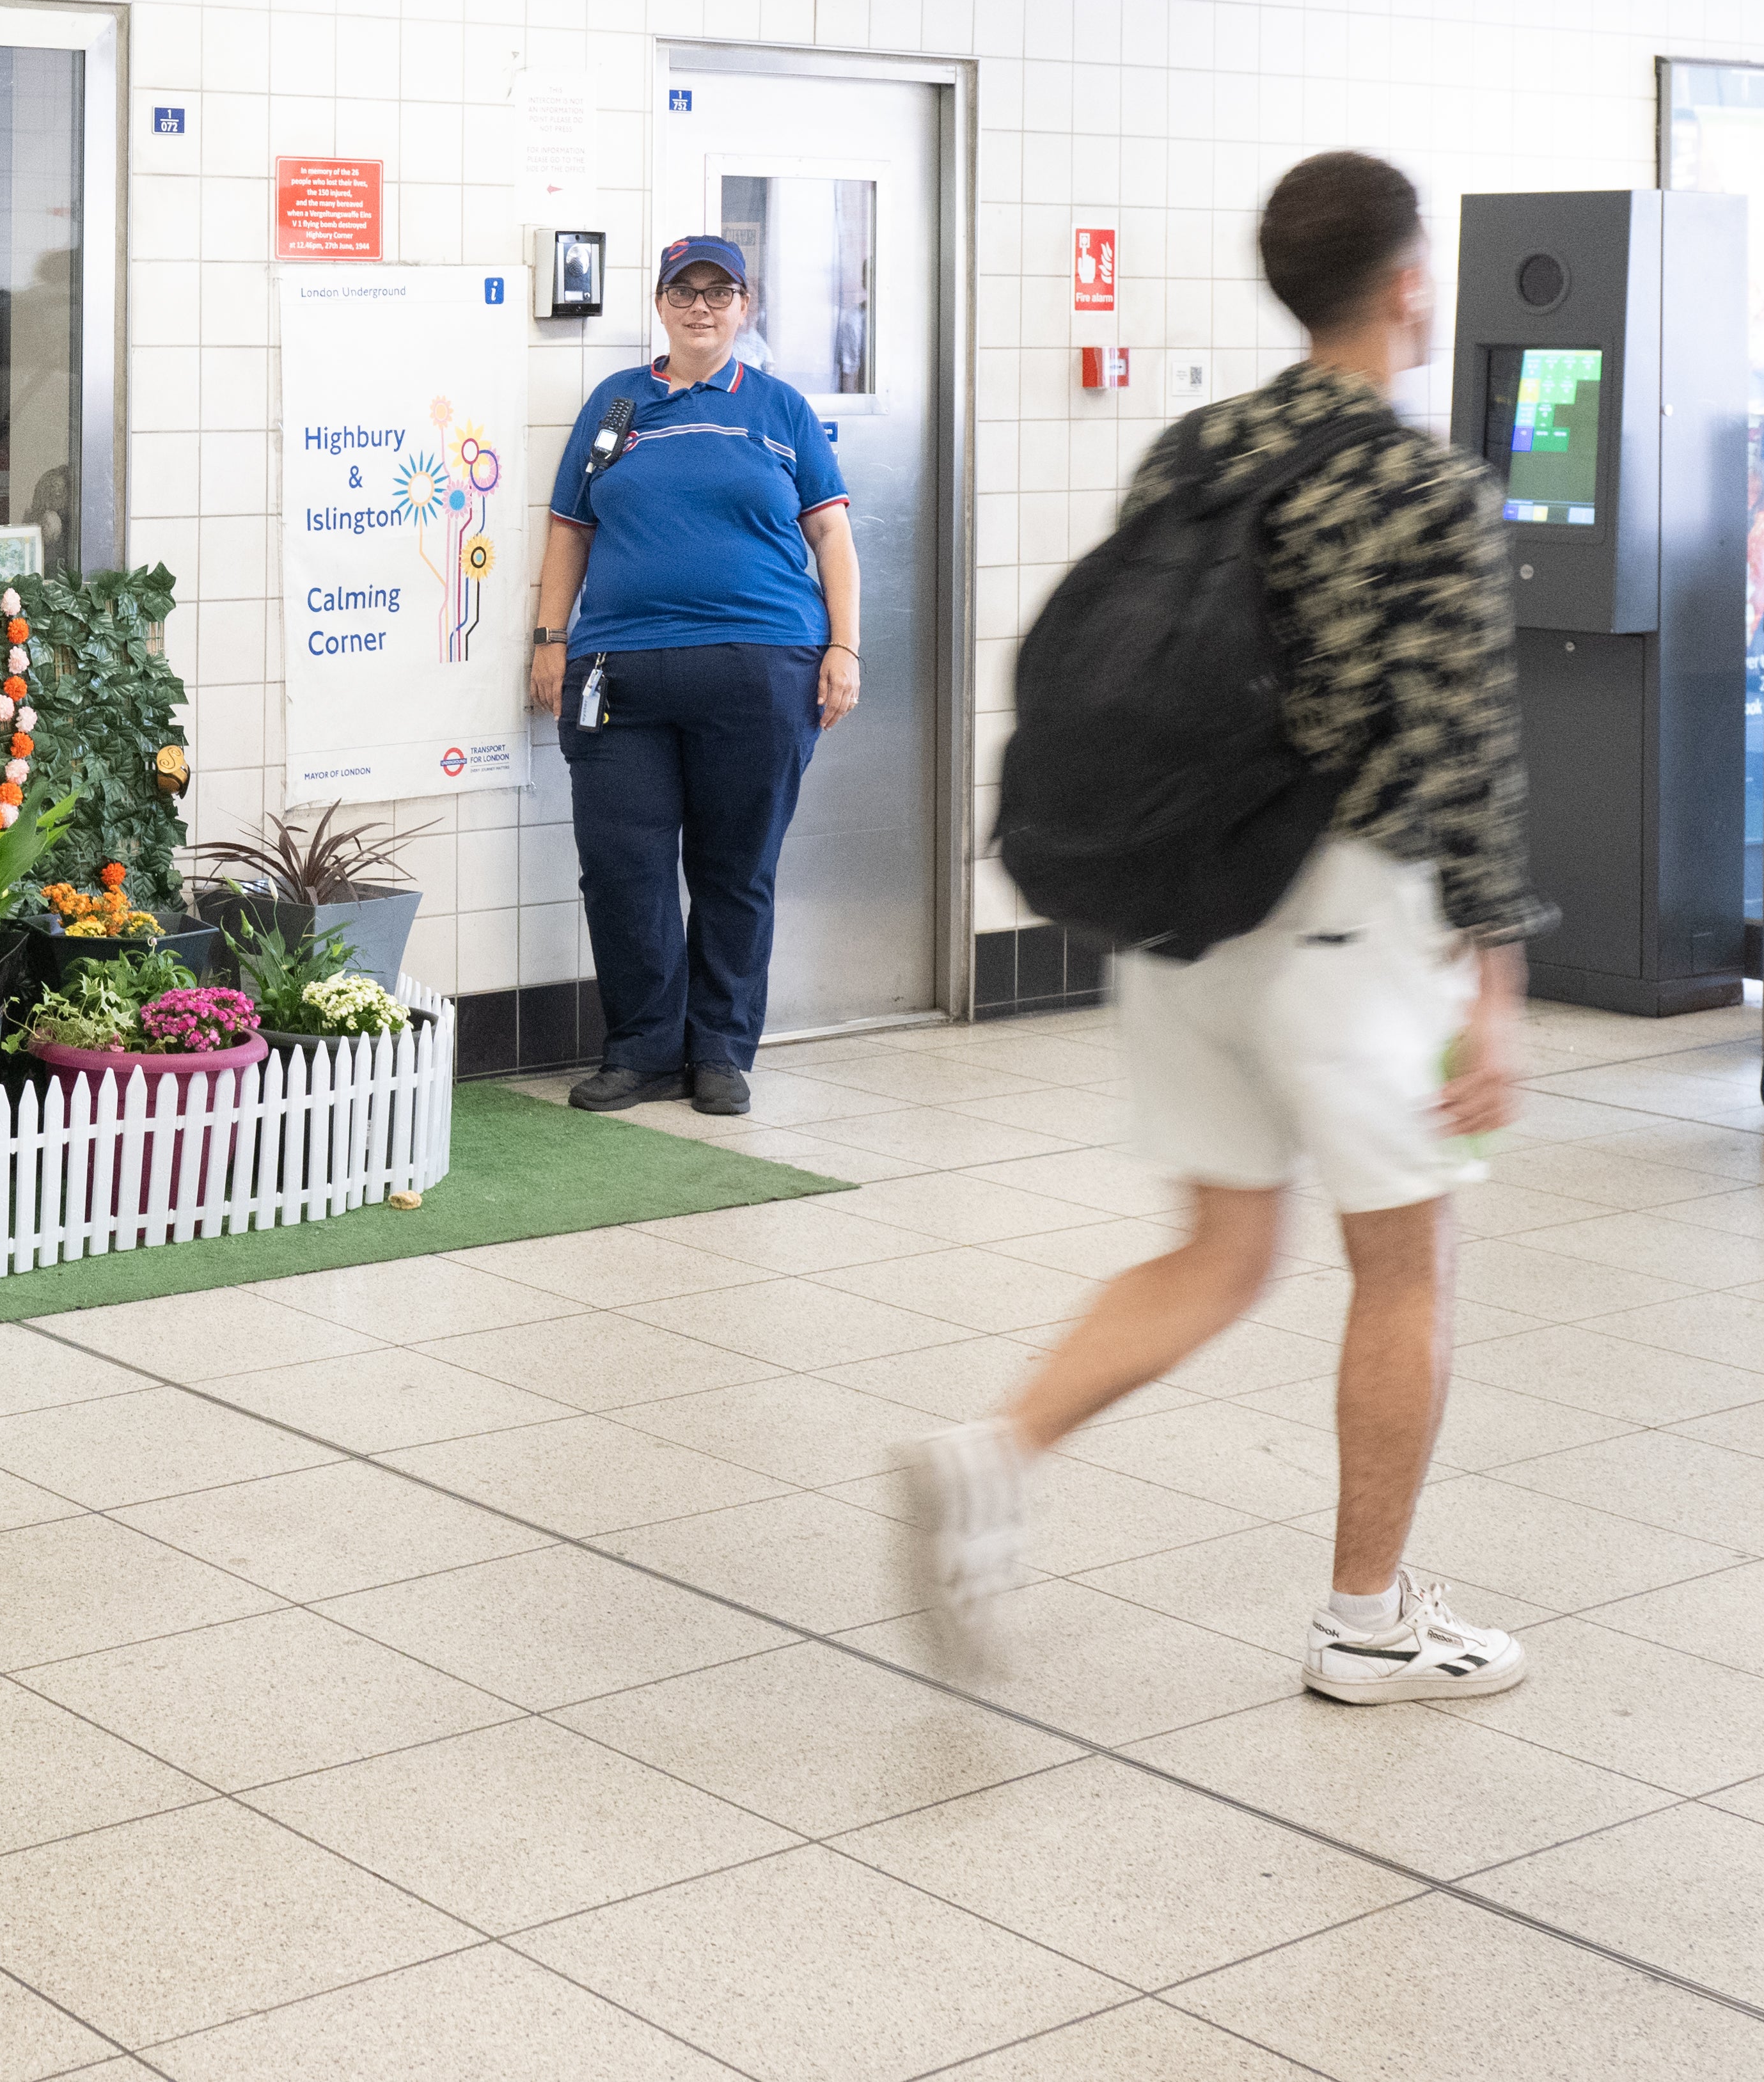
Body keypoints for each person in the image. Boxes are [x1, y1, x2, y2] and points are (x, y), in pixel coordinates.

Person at [910, 152, 1540, 1703]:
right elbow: (1461, 750)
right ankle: (1366, 1622)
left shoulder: (1194, 449)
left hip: (1185, 916)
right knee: (1406, 1267)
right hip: (1348, 919)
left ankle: (996, 1451)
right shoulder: (1419, 485)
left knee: (1221, 1245)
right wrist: (1502, 980)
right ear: (1408, 288)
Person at [526, 233, 863, 1118]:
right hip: (616, 671)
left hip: (762, 666)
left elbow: (831, 535)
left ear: (744, 307)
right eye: (686, 289)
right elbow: (570, 527)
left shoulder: (780, 409)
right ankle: (639, 1050)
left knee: (734, 865)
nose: (702, 305)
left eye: (720, 292)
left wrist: (844, 646)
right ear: (661, 302)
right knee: (620, 865)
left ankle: (720, 1049)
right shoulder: (616, 404)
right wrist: (548, 637)